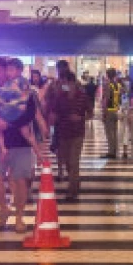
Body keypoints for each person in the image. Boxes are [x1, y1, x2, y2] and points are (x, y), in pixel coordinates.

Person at [0, 56, 37, 234]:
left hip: (20, 142)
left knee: (21, 180)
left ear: (6, 70)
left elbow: (30, 112)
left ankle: (19, 216)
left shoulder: (21, 87)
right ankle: (4, 208)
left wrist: (10, 123)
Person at [0, 57, 44, 161]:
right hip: (20, 112)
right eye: (7, 70)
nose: (8, 73)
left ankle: (3, 148)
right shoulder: (24, 82)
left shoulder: (12, 83)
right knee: (27, 134)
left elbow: (2, 97)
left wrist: (2, 101)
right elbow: (26, 95)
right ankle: (39, 154)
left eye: (11, 70)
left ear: (19, 70)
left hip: (12, 112)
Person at [52, 71, 89, 202]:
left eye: (65, 83)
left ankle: (71, 191)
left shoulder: (82, 96)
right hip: (63, 133)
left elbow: (89, 113)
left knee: (74, 162)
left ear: (72, 83)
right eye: (62, 83)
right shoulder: (60, 97)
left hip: (77, 133)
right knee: (67, 162)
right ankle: (76, 181)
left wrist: (80, 118)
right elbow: (54, 113)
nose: (63, 85)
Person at [102, 68, 121, 159]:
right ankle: (115, 150)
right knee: (115, 132)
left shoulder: (107, 85)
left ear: (107, 75)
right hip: (116, 110)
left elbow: (106, 99)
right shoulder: (118, 85)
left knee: (109, 132)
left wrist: (104, 112)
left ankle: (111, 152)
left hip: (109, 110)